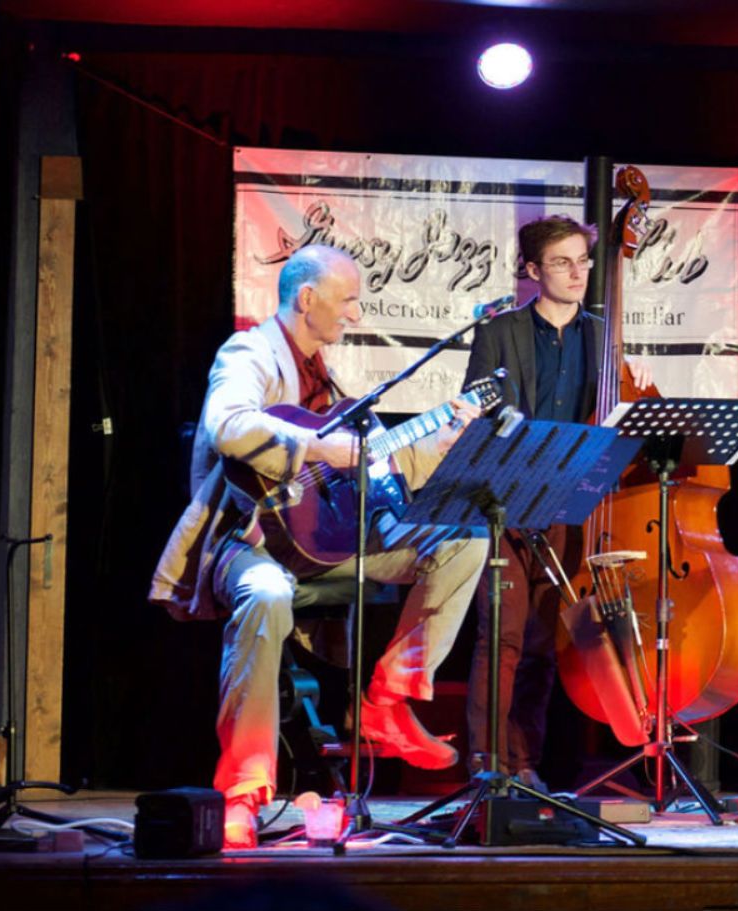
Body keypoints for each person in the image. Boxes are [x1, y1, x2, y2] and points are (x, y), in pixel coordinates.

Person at [149, 245, 489, 849]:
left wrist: (439, 442)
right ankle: (242, 793)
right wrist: (319, 449)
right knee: (266, 593)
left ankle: (389, 698)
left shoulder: (326, 376)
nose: (355, 314)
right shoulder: (250, 352)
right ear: (307, 299)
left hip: (318, 542)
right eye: (349, 299)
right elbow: (226, 424)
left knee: (463, 539)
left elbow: (380, 470)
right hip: (246, 540)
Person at [459, 214, 651, 787]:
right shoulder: (499, 333)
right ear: (533, 269)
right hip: (512, 497)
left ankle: (526, 765)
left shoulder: (602, 334)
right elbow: (481, 403)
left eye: (584, 261)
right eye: (563, 262)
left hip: (577, 506)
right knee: (504, 635)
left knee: (545, 643)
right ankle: (487, 763)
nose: (577, 272)